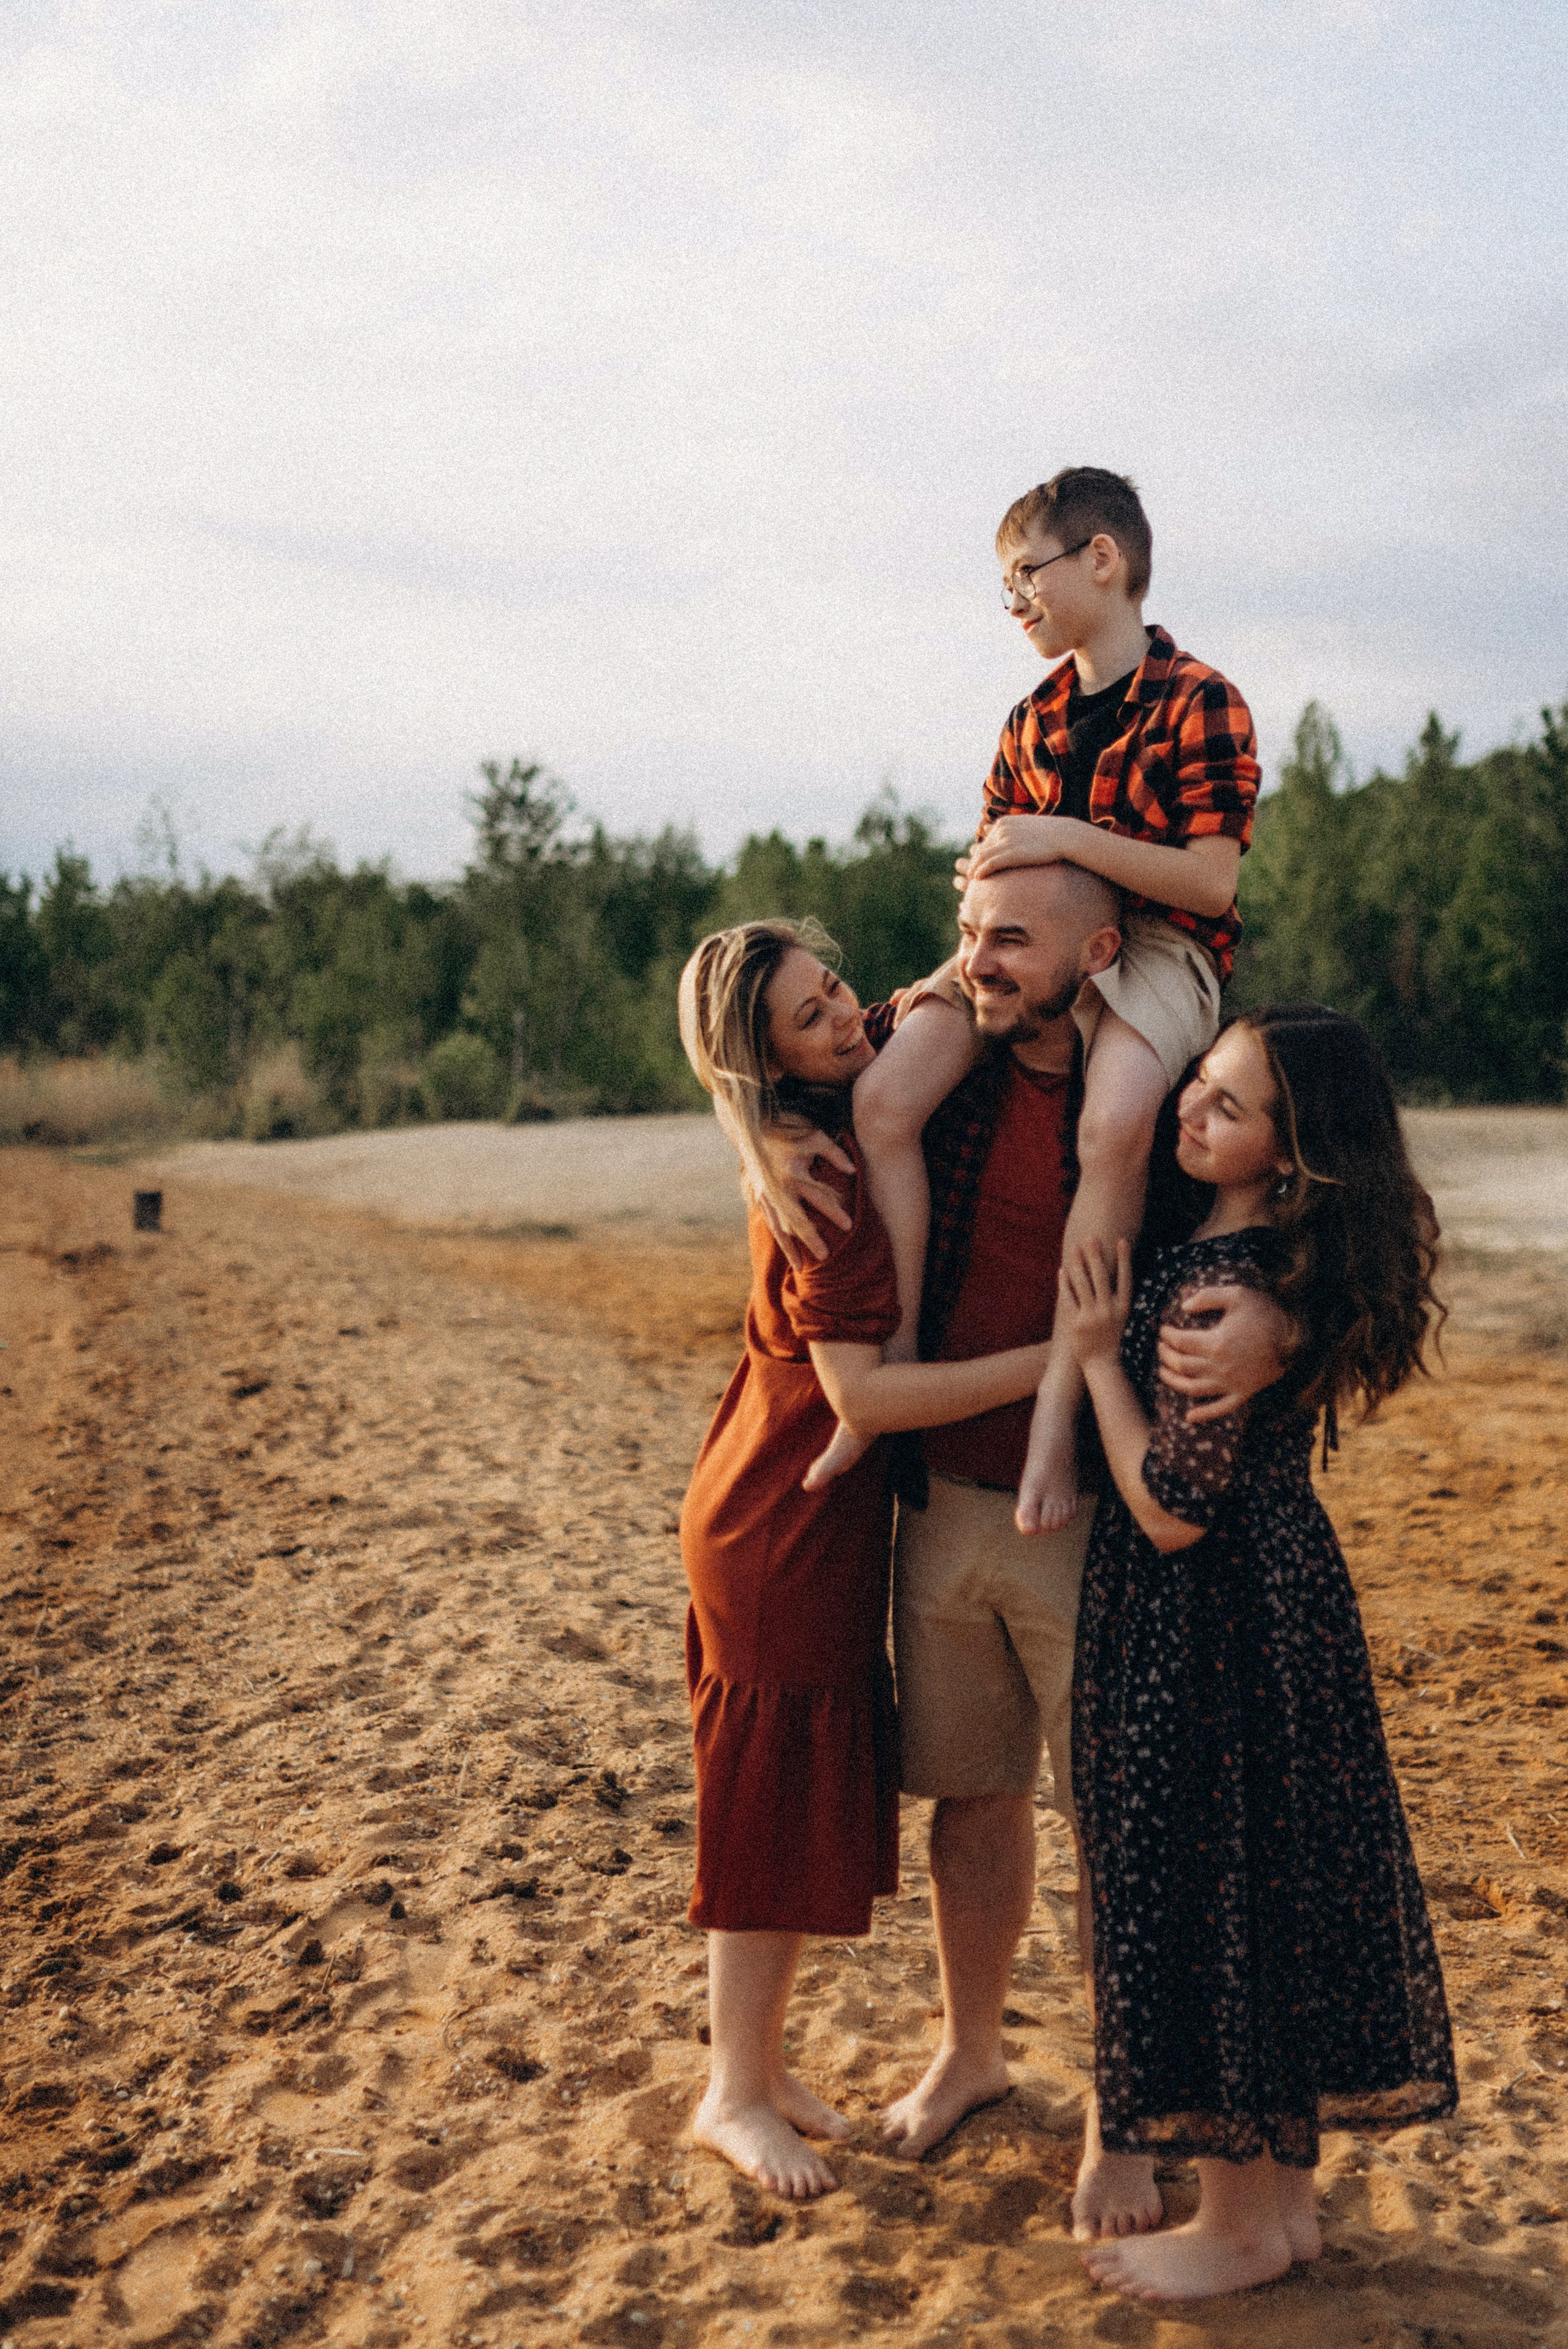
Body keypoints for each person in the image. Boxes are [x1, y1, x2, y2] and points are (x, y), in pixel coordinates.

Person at [865, 862, 1292, 2250]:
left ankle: (1123, 2117)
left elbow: (1311, 1204)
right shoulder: (933, 1068)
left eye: (1011, 942)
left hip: (1090, 1528)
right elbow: (786, 1069)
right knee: (969, 1800)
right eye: (968, 937)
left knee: (1118, 1828)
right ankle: (971, 2048)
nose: (978, 963)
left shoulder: (1160, 1124)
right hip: (937, 1498)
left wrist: (1286, 1330)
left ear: (1096, 954)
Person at [1058, 1004, 1458, 2302]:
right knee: (1265, 1887)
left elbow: (1171, 1507)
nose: (1188, 1113)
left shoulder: (1220, 1286)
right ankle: (1277, 2213)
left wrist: (1093, 1368)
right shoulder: (1264, 1263)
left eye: (1224, 1106)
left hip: (1208, 1615)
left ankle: (1234, 2224)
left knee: (1215, 1886)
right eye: (1196, 1085)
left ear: (1288, 1157)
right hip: (1281, 1599)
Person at [676, 916, 1077, 2201]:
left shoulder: (828, 1125)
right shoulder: (817, 1181)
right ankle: (733, 2089)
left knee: (794, 1789)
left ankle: (764, 2065)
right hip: (781, 1519)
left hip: (803, 1515)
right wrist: (1059, 1358)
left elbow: (928, 1005)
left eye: (837, 987)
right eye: (811, 1018)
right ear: (766, 1063)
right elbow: (865, 1400)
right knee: (765, 1800)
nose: (847, 1017)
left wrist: (937, 984)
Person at [845, 466, 1261, 1537]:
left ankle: (1054, 1420)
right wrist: (985, 882)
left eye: (1025, 575)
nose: (1015, 601)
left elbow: (1211, 884)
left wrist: (1064, 841)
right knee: (887, 1100)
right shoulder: (1029, 719)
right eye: (1008, 586)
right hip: (1022, 943)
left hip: (1161, 945)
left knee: (1116, 1121)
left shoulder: (1202, 699)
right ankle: (893, 1376)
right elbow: (998, 856)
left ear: (1104, 561)